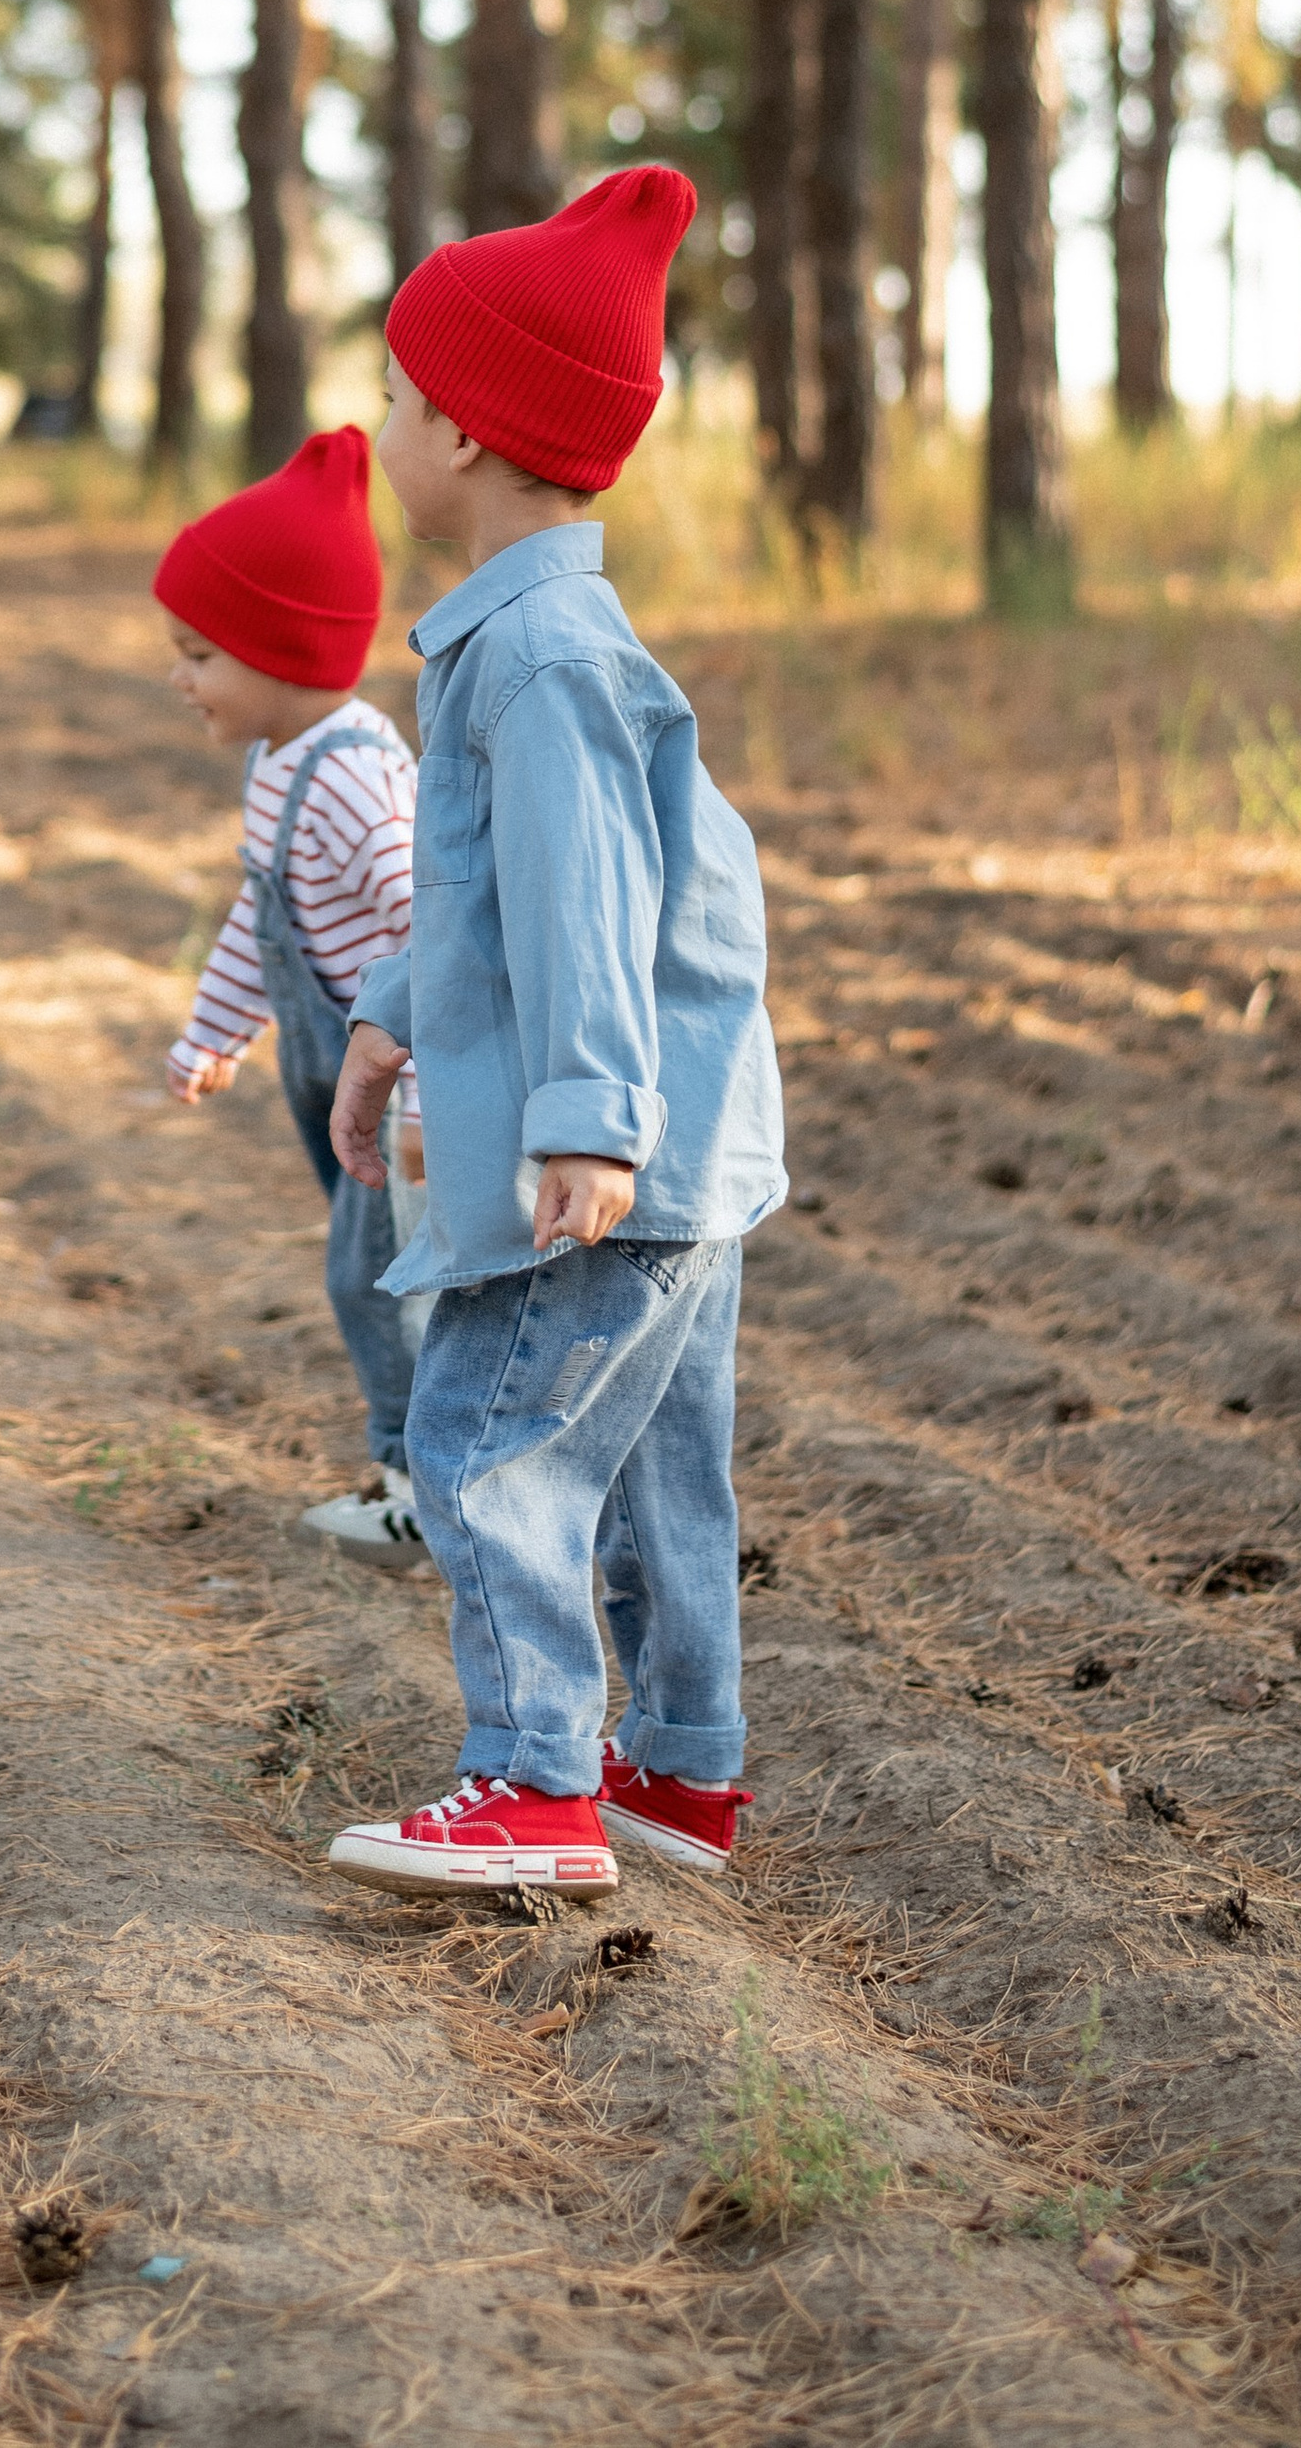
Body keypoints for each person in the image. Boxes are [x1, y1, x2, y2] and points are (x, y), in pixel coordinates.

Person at [320, 168, 786, 1894]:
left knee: (488, 1435)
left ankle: (530, 1787)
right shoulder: (540, 639)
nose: (378, 420)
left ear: (462, 429)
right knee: (665, 1468)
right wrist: (387, 1014)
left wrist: (584, 1111)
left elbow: (585, 897)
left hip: (620, 1140)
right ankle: (681, 1774)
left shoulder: (533, 660)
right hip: (691, 1137)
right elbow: (495, 895)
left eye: (393, 392)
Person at [156, 427, 435, 1571]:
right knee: (371, 1274)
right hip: (329, 1078)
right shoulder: (278, 763)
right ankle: (425, 1473)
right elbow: (259, 913)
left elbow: (441, 929)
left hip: (403, 1089)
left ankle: (420, 1485)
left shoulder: (357, 778)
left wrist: (421, 1084)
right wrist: (216, 1025)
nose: (178, 677)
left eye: (197, 653)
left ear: (279, 650)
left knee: (374, 1280)